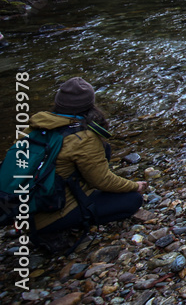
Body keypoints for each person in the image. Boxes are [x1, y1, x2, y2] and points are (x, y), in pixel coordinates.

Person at [29, 76, 147, 252]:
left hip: (24, 207)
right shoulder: (82, 137)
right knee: (132, 200)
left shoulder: (34, 126)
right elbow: (103, 181)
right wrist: (134, 186)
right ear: (90, 105)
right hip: (48, 215)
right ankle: (53, 231)